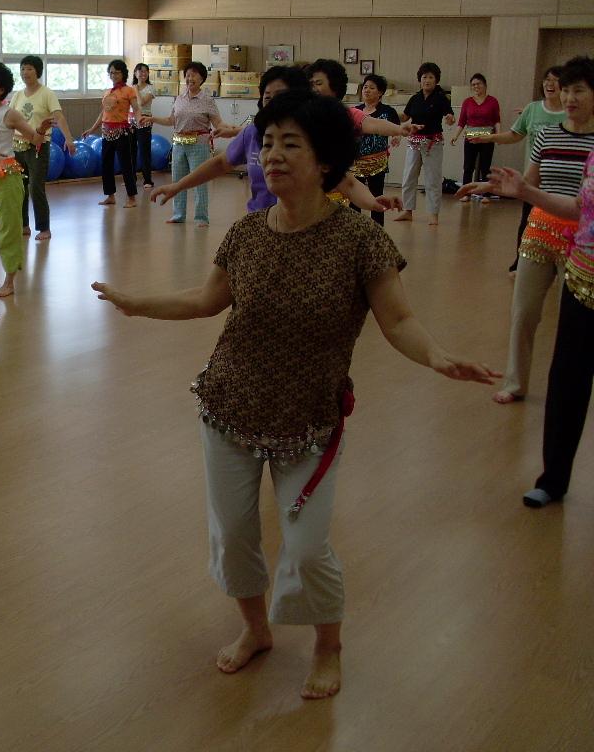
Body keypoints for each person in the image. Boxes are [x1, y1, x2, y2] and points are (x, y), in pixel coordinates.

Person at [93, 90, 498, 700]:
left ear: (327, 161)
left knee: (307, 550)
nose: (271, 156)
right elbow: (205, 302)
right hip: (229, 406)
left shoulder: (360, 240)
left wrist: (437, 356)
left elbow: (399, 321)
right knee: (233, 536)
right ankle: (257, 631)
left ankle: (328, 643)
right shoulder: (248, 232)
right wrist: (136, 303)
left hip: (311, 421)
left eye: (291, 145)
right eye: (268, 143)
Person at [458, 55, 594, 405]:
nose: (569, 98)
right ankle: (516, 381)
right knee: (523, 312)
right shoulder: (546, 134)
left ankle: (569, 386)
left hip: (581, 241)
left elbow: (577, 203)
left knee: (574, 320)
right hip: (539, 230)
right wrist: (484, 187)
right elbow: (527, 182)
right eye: (566, 90)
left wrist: (527, 192)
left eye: (579, 90)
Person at [463, 152, 594, 508]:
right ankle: (553, 479)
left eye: (578, 90)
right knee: (567, 381)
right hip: (583, 282)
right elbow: (581, 208)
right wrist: (526, 192)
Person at [150, 67, 398, 217]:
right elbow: (221, 164)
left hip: (303, 224)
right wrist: (177, 186)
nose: (271, 102)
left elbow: (348, 182)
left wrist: (372, 202)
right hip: (261, 222)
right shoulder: (252, 133)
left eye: (279, 96)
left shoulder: (314, 135)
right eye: (267, 96)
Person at [471, 66, 565, 274]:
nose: (549, 84)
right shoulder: (533, 109)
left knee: (559, 224)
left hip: (560, 182)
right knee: (527, 223)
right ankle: (521, 262)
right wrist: (490, 138)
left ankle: (559, 265)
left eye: (555, 80)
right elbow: (515, 134)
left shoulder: (570, 113)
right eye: (546, 79)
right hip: (532, 179)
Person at [0, 61, 48, 297]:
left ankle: (9, 281)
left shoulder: (9, 114)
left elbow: (34, 140)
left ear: (1, 89)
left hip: (6, 177)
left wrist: (42, 130)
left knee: (8, 229)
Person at [306, 59, 414, 210]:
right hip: (302, 201)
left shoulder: (346, 115)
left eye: (318, 83)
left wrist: (399, 130)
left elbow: (348, 183)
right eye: (310, 84)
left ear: (335, 87)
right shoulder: (298, 118)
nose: (313, 88)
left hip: (334, 203)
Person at [145, 61, 241, 226]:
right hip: (178, 144)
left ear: (202, 78)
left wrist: (232, 129)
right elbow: (171, 120)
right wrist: (152, 118)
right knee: (177, 180)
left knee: (200, 181)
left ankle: (201, 217)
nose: (190, 78)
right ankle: (178, 214)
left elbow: (218, 122)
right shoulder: (179, 98)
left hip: (199, 144)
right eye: (187, 75)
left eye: (194, 75)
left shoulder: (207, 100)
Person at [10, 56, 76, 242]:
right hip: (17, 146)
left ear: (37, 71)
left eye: (29, 69)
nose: (25, 72)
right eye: (22, 69)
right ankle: (24, 225)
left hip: (38, 146)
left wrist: (69, 140)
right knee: (19, 188)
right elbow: (9, 120)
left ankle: (44, 227)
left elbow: (59, 117)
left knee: (36, 187)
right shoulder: (18, 95)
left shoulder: (47, 94)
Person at [395, 62, 455, 225]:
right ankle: (407, 211)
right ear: (419, 80)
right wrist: (390, 113)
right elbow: (406, 117)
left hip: (432, 142)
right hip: (414, 141)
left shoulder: (441, 98)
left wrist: (450, 118)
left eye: (430, 77)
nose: (427, 80)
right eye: (424, 77)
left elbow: (449, 116)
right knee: (408, 176)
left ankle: (433, 214)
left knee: (432, 179)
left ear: (436, 80)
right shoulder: (415, 98)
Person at [82, 60, 143, 208]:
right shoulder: (107, 92)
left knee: (126, 165)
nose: (113, 75)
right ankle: (110, 195)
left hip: (122, 132)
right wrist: (92, 129)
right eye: (111, 72)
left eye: (116, 72)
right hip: (106, 132)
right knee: (106, 164)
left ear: (123, 73)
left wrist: (139, 119)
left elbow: (136, 108)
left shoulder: (129, 91)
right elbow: (104, 113)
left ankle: (132, 197)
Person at [352, 74, 401, 225]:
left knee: (377, 197)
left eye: (372, 88)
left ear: (380, 92)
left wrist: (396, 136)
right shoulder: (355, 111)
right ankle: (355, 230)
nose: (367, 90)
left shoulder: (388, 111)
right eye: (365, 87)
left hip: (377, 163)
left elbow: (397, 130)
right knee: (355, 198)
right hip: (356, 162)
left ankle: (378, 230)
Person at [450, 73, 501, 204]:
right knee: (468, 167)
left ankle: (486, 194)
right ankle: (466, 193)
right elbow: (461, 122)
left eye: (478, 84)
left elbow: (497, 121)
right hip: (471, 137)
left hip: (487, 137)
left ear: (485, 85)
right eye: (473, 84)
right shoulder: (467, 102)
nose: (476, 86)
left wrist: (499, 136)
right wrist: (455, 136)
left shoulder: (493, 101)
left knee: (485, 167)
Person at [131, 63, 156, 189]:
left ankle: (147, 180)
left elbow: (141, 102)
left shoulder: (150, 88)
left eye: (145, 71)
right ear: (135, 73)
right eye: (140, 71)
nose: (143, 74)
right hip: (131, 121)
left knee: (144, 151)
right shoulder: (130, 88)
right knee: (131, 151)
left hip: (145, 120)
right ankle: (131, 178)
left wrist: (135, 89)